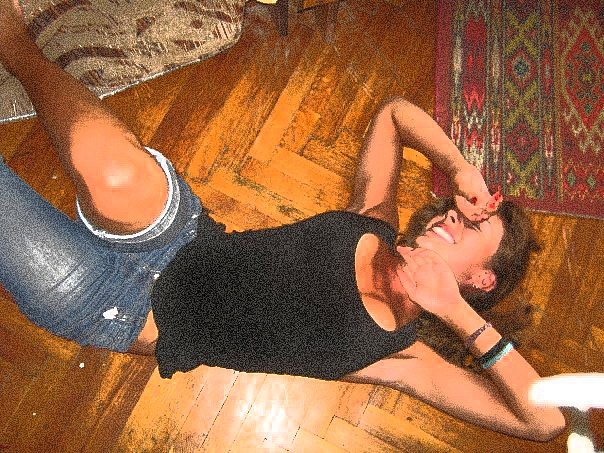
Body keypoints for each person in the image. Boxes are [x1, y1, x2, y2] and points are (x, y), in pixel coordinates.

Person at [0, 0, 565, 443]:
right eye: (457, 212)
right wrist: (458, 168)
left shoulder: (404, 357)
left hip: (119, 311)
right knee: (117, 174)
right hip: (178, 234)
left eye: (471, 229)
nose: (452, 217)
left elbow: (544, 422)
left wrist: (458, 313)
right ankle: (13, 45)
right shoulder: (374, 221)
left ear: (482, 278)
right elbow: (394, 113)